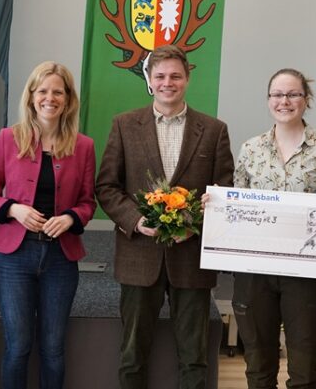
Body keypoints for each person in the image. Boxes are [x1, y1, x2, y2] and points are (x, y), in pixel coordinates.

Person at [95, 44, 234, 389]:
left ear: (187, 78)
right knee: (132, 356)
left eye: (175, 75)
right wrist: (135, 220)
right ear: (149, 79)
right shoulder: (125, 125)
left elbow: (225, 192)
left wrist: (195, 224)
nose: (167, 83)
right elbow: (107, 186)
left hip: (192, 258)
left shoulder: (214, 130)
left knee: (194, 358)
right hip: (138, 257)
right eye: (160, 76)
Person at [0, 61, 97, 389]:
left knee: (53, 348)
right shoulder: (8, 138)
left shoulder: (84, 146)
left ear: (68, 99)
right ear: (31, 96)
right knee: (17, 346)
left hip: (60, 258)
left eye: (58, 92)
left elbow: (88, 202)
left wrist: (71, 217)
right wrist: (13, 209)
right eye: (42, 91)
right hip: (14, 258)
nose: (50, 98)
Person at [230, 68, 316, 388]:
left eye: (293, 94)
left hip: (308, 275)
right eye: (278, 95)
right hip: (255, 273)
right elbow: (238, 210)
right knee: (258, 369)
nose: (285, 101)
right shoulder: (250, 149)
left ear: (306, 99)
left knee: (305, 373)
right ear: (268, 99)